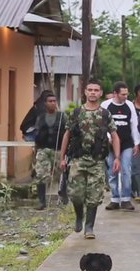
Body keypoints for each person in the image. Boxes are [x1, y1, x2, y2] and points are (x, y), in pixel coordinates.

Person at [60, 78, 121, 239]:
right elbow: (67, 135)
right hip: (77, 160)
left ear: (100, 93)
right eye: (90, 90)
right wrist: (62, 158)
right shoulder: (76, 113)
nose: (93, 93)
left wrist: (117, 158)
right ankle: (79, 216)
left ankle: (89, 227)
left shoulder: (105, 114)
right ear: (85, 92)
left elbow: (114, 136)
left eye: (96, 90)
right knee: (76, 194)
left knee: (94, 195)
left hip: (97, 160)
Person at [101, 82, 140, 211]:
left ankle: (126, 198)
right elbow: (102, 125)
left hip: (126, 142)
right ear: (115, 94)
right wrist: (109, 139)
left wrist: (136, 143)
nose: (125, 96)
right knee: (112, 171)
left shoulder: (129, 105)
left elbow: (134, 124)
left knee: (126, 170)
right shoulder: (106, 105)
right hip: (110, 143)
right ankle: (114, 198)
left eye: (126, 94)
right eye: (123, 94)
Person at [33, 93, 66, 210]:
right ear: (45, 103)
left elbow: (67, 135)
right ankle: (42, 202)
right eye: (50, 101)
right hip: (43, 149)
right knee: (41, 175)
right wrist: (35, 152)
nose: (53, 103)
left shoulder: (62, 117)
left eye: (54, 101)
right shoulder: (41, 118)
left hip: (58, 150)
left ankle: (63, 199)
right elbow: (36, 136)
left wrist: (65, 152)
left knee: (60, 175)